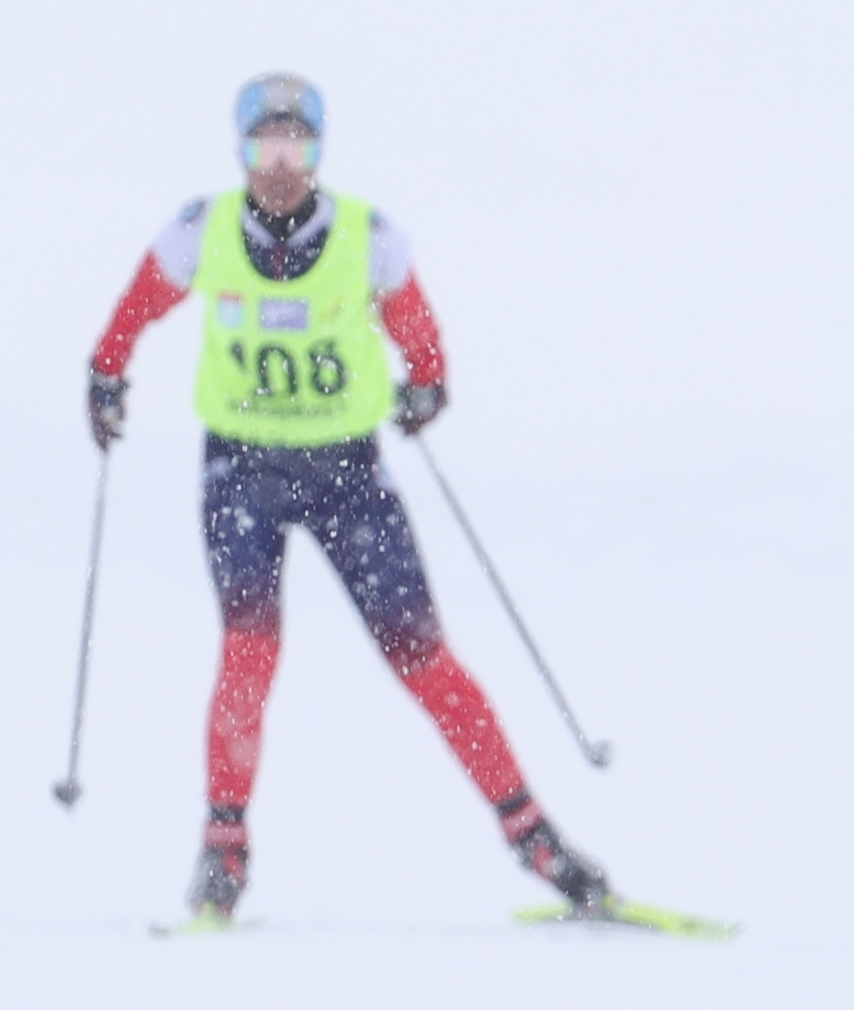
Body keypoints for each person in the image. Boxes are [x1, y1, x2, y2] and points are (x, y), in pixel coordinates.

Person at [83, 74, 610, 926]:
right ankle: (223, 852)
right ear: (241, 151)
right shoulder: (201, 230)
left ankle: (535, 838)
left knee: (424, 659)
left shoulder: (369, 236)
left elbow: (416, 326)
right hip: (243, 470)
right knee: (249, 653)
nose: (280, 164)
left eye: (295, 145)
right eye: (265, 145)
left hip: (346, 474)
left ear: (319, 152)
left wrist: (427, 383)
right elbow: (136, 307)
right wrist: (105, 375)